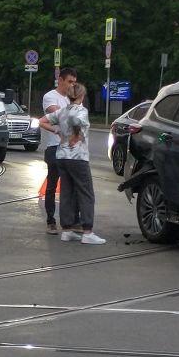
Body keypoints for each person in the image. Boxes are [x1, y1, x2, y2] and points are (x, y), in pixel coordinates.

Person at [42, 82, 105, 245]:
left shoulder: (62, 111)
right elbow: (76, 120)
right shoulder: (80, 110)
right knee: (86, 193)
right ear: (81, 96)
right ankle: (87, 231)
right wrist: (75, 136)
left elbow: (42, 121)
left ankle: (67, 230)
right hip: (78, 157)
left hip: (61, 156)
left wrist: (58, 131)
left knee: (66, 192)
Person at [40, 67, 78, 235]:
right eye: (70, 81)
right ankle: (50, 221)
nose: (72, 85)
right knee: (53, 184)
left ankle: (70, 221)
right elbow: (57, 115)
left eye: (74, 82)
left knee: (71, 186)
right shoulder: (50, 97)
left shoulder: (73, 99)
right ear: (61, 80)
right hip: (54, 147)